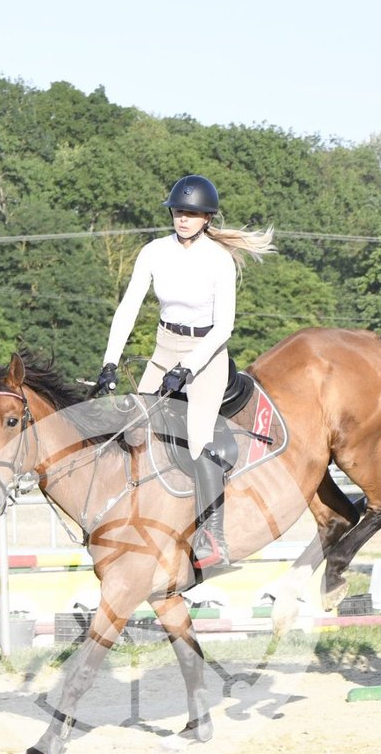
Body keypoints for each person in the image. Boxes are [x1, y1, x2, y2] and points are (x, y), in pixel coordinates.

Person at [92, 175, 275, 569]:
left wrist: (188, 369)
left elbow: (224, 327)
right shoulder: (154, 252)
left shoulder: (219, 260)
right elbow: (128, 307)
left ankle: (213, 535)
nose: (183, 219)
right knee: (132, 428)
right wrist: (109, 361)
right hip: (165, 346)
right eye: (178, 211)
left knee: (196, 438)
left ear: (206, 218)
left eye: (191, 213)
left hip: (207, 353)